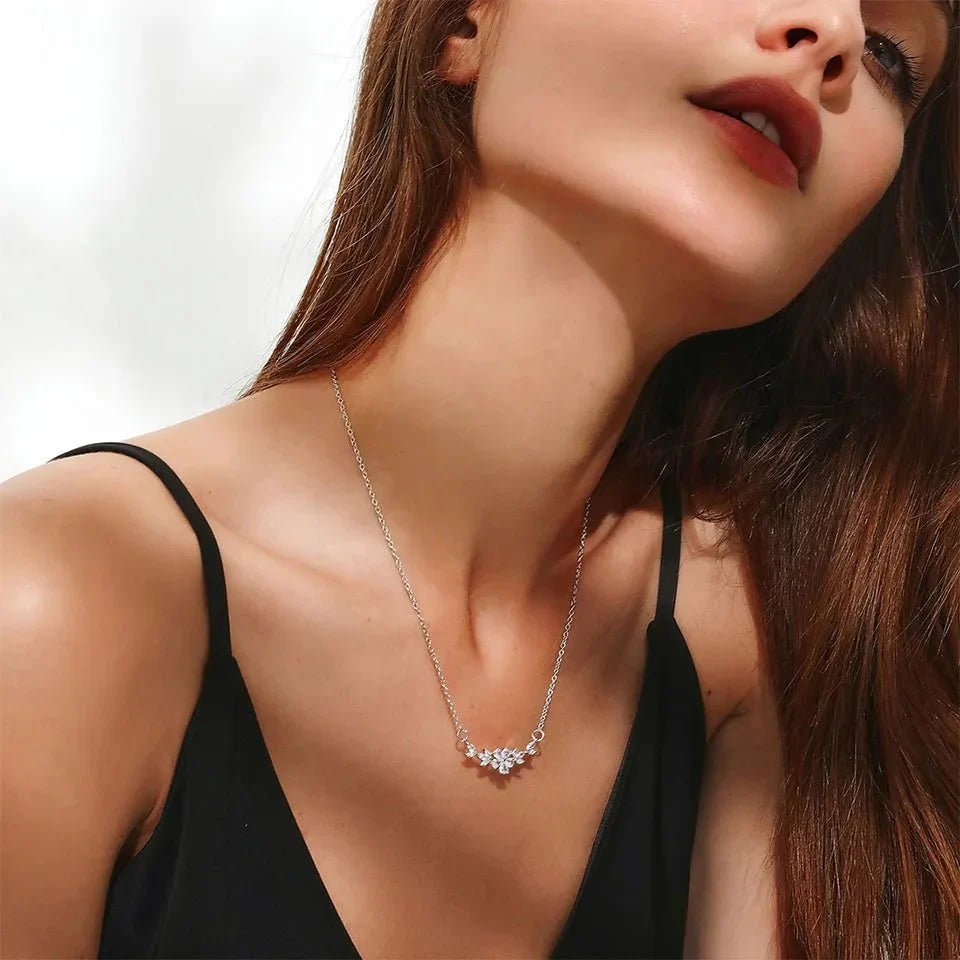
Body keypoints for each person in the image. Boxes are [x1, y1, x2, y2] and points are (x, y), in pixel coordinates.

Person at [2, 0, 957, 957]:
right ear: (463, 23)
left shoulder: (751, 648)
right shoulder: (57, 604)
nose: (834, 32)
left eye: (889, 54)